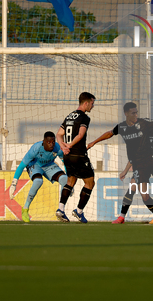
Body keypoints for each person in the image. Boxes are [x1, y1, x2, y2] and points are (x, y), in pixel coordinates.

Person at [87, 103, 153, 224]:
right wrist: (93, 142)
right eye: (133, 113)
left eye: (136, 112)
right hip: (138, 166)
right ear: (126, 114)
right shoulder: (122, 127)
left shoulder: (143, 123)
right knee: (143, 194)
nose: (136, 115)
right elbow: (109, 133)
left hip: (152, 163)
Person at [55, 92, 96, 223]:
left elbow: (59, 134)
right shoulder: (84, 118)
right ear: (86, 103)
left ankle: (60, 209)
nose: (92, 106)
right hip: (79, 155)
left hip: (67, 156)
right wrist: (70, 145)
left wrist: (63, 146)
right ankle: (78, 211)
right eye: (92, 103)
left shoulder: (69, 116)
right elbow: (80, 135)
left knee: (70, 182)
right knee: (90, 183)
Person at [9, 131, 67, 223]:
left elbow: (65, 163)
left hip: (49, 165)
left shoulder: (58, 148)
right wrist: (13, 184)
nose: (51, 144)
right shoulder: (35, 149)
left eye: (53, 142)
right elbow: (21, 166)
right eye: (49, 142)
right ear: (43, 142)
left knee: (65, 179)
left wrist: (68, 186)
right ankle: (25, 209)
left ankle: (61, 210)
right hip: (35, 165)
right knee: (38, 182)